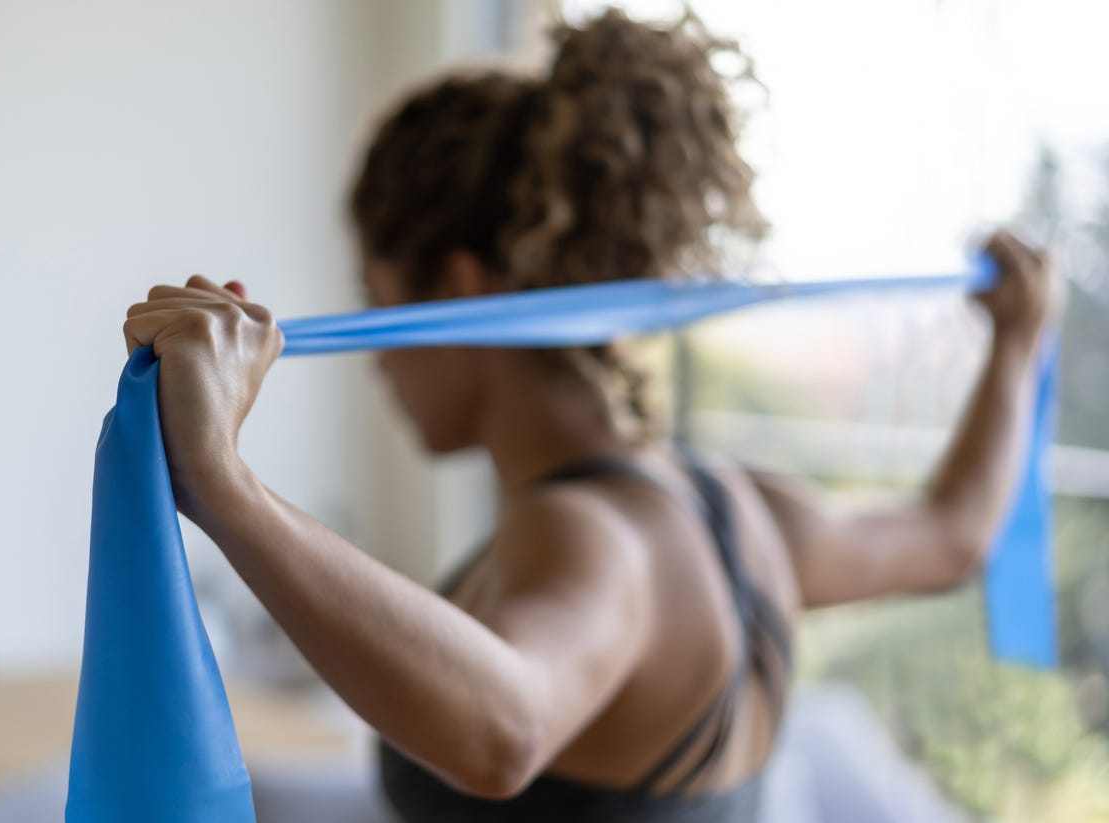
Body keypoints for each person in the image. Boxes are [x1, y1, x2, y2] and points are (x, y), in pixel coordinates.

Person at [122, 9, 1058, 823]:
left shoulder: (596, 538)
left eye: (380, 301)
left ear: (456, 288)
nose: (380, 369)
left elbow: (507, 728)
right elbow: (952, 536)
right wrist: (1016, 345)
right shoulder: (740, 505)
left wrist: (226, 483)